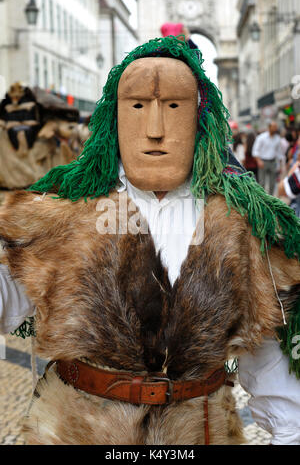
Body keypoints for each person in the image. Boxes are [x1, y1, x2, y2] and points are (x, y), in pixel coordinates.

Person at [0, 37, 299, 445]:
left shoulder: (240, 223)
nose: (155, 130)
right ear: (115, 119)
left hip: (199, 435)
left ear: (199, 119)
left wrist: (287, 430)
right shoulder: (63, 211)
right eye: (137, 107)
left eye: (173, 107)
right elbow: (8, 298)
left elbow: (269, 362)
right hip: (77, 431)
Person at [252, 122, 284, 195]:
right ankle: (262, 198)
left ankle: (271, 198)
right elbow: (255, 150)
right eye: (274, 127)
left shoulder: (277, 138)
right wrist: (259, 161)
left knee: (272, 183)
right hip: (263, 161)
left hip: (273, 162)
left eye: (276, 127)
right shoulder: (261, 137)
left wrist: (281, 165)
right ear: (269, 127)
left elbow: (279, 153)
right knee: (262, 182)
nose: (275, 129)